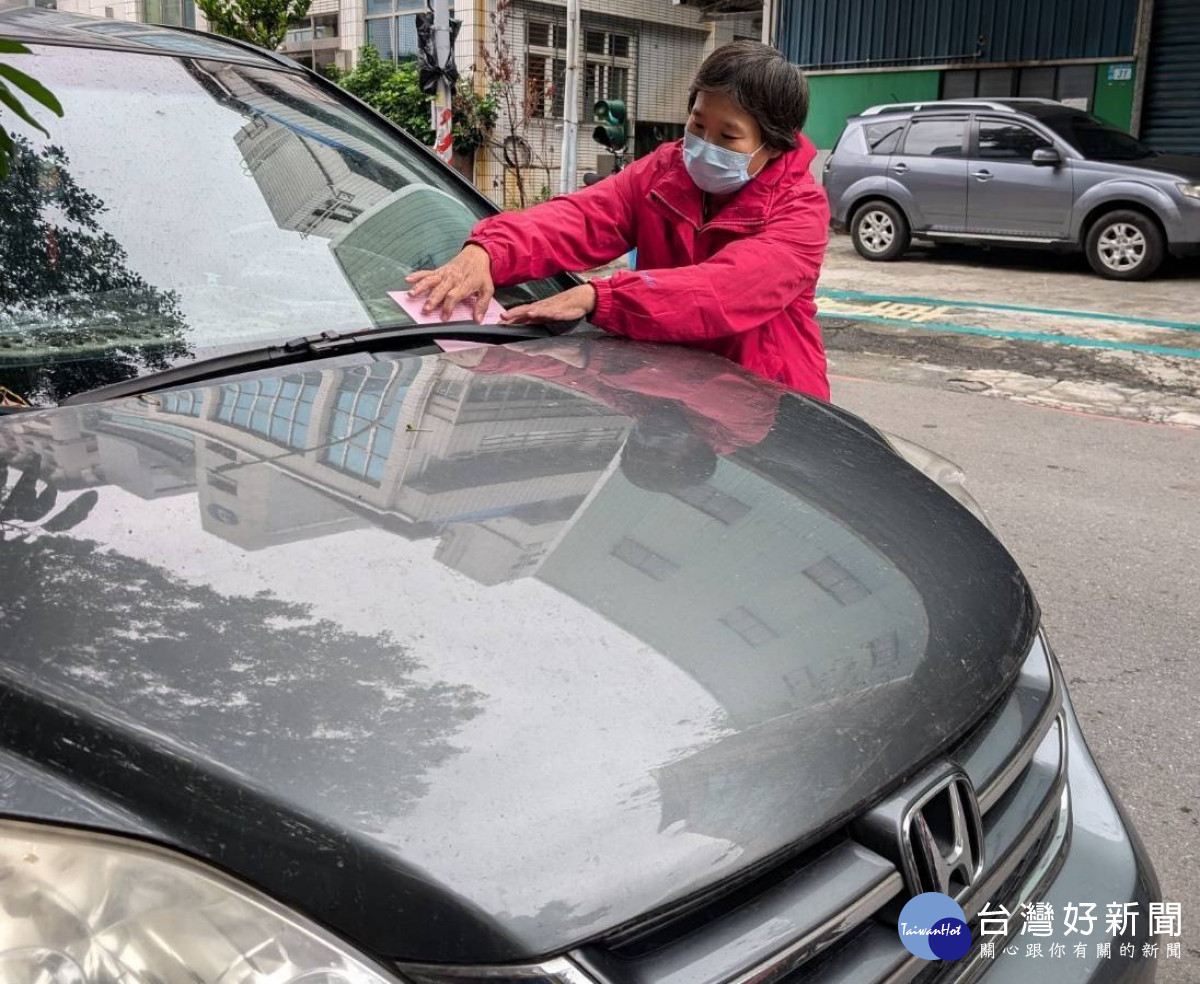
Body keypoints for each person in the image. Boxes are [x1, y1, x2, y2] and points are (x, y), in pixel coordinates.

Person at [406, 41, 832, 400]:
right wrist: (490, 251)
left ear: (773, 145)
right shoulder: (665, 172)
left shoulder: (800, 209)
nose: (704, 145)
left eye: (728, 136)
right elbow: (583, 217)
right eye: (698, 124)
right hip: (667, 391)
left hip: (766, 404)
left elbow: (726, 289)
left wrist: (602, 297)